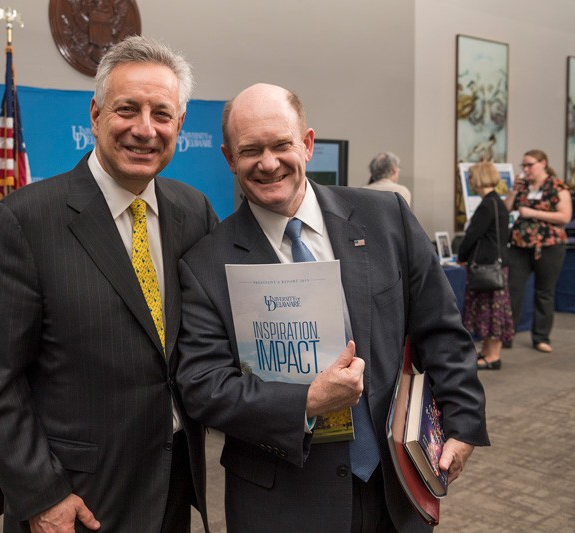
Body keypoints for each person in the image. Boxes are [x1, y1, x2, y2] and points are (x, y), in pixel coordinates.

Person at [175, 84, 488, 531]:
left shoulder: (386, 219)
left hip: (394, 485)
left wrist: (463, 422)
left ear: (306, 143)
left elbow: (441, 329)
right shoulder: (207, 263)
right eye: (250, 151)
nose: (268, 163)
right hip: (282, 502)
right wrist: (307, 400)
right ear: (229, 158)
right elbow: (203, 387)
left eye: (281, 144)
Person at [0, 35, 217, 533]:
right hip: (74, 501)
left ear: (180, 125)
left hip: (171, 488)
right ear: (96, 113)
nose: (145, 129)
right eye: (128, 109)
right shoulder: (24, 221)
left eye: (162, 114)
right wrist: (42, 494)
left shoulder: (194, 213)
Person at [503, 149, 572, 353]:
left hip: (549, 246)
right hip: (520, 245)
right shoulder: (522, 186)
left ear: (543, 163)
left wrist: (532, 212)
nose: (525, 169)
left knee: (544, 292)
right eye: (523, 165)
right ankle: (507, 334)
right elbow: (506, 208)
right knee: (513, 289)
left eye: (529, 165)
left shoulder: (557, 186)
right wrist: (513, 191)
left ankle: (541, 337)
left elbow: (565, 217)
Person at [458, 161, 513, 369]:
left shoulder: (487, 204)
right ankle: (489, 353)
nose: (470, 181)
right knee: (494, 310)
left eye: (471, 177)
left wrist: (462, 254)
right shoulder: (496, 201)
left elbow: (473, 235)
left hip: (487, 266)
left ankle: (492, 357)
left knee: (491, 311)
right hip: (497, 264)